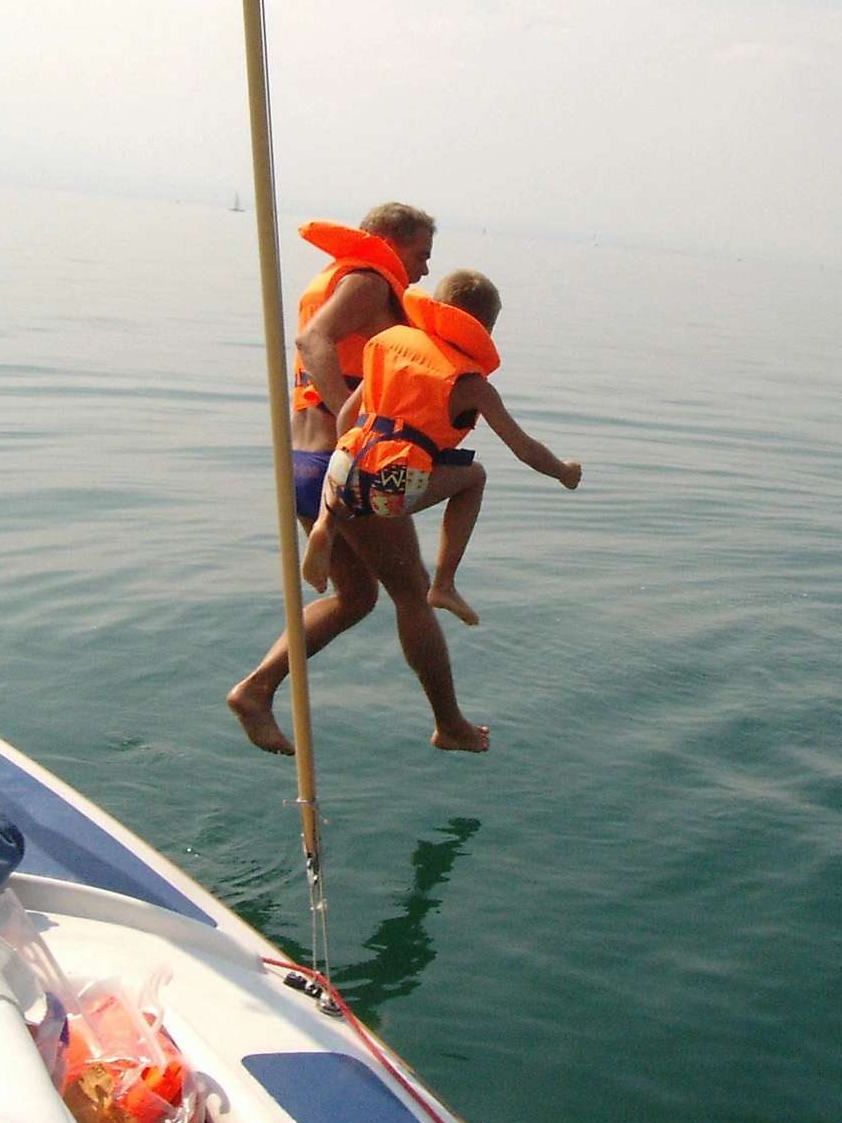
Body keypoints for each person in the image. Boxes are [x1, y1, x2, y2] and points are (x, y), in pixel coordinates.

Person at [228, 205, 490, 756]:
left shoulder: (331, 280)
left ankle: (256, 689)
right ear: (387, 242)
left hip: (301, 463)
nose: (420, 273)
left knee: (355, 597)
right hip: (338, 461)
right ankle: (450, 724)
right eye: (419, 256)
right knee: (412, 592)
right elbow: (313, 341)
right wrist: (354, 427)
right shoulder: (369, 282)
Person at [302, 269, 582, 634]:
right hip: (390, 487)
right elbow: (525, 450)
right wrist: (563, 471)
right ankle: (444, 584)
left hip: (339, 470)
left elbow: (345, 419)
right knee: (474, 476)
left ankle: (327, 522)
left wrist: (350, 463)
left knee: (356, 452)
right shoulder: (472, 385)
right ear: (482, 329)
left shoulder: (389, 344)